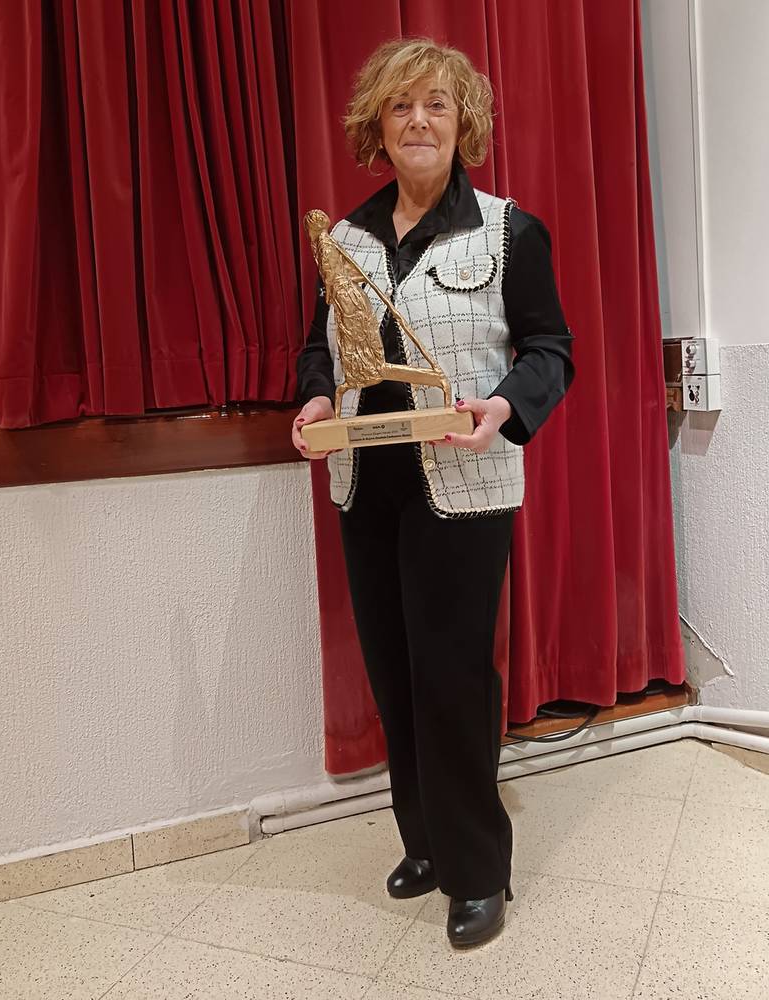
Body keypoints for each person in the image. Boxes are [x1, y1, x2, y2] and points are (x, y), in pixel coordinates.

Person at [292, 37, 575, 948]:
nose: (418, 120)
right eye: (401, 105)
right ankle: (424, 842)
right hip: (365, 480)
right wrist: (313, 398)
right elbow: (318, 349)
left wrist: (503, 405)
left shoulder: (508, 231)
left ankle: (477, 870)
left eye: (436, 104)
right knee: (394, 671)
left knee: (451, 676)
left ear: (463, 124)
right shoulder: (343, 239)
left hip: (464, 483)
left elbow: (550, 351)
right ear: (377, 125)